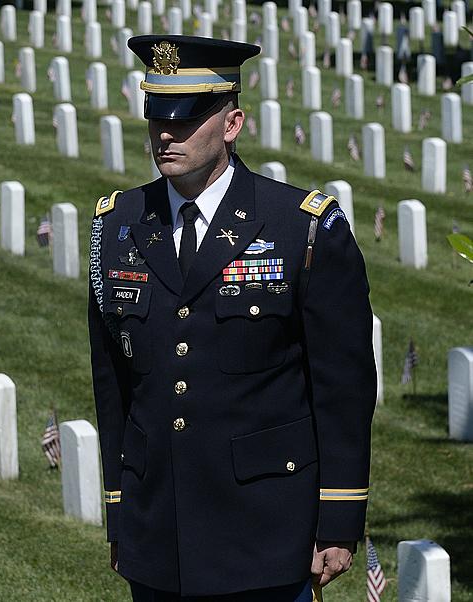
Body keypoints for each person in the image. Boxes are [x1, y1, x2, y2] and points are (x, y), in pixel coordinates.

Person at [87, 35, 377, 601]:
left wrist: (339, 518)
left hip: (266, 532)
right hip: (158, 533)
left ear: (232, 123)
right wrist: (119, 511)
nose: (166, 133)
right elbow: (114, 385)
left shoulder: (302, 228)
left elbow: (343, 386)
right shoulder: (117, 225)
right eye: (156, 117)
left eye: (188, 117)